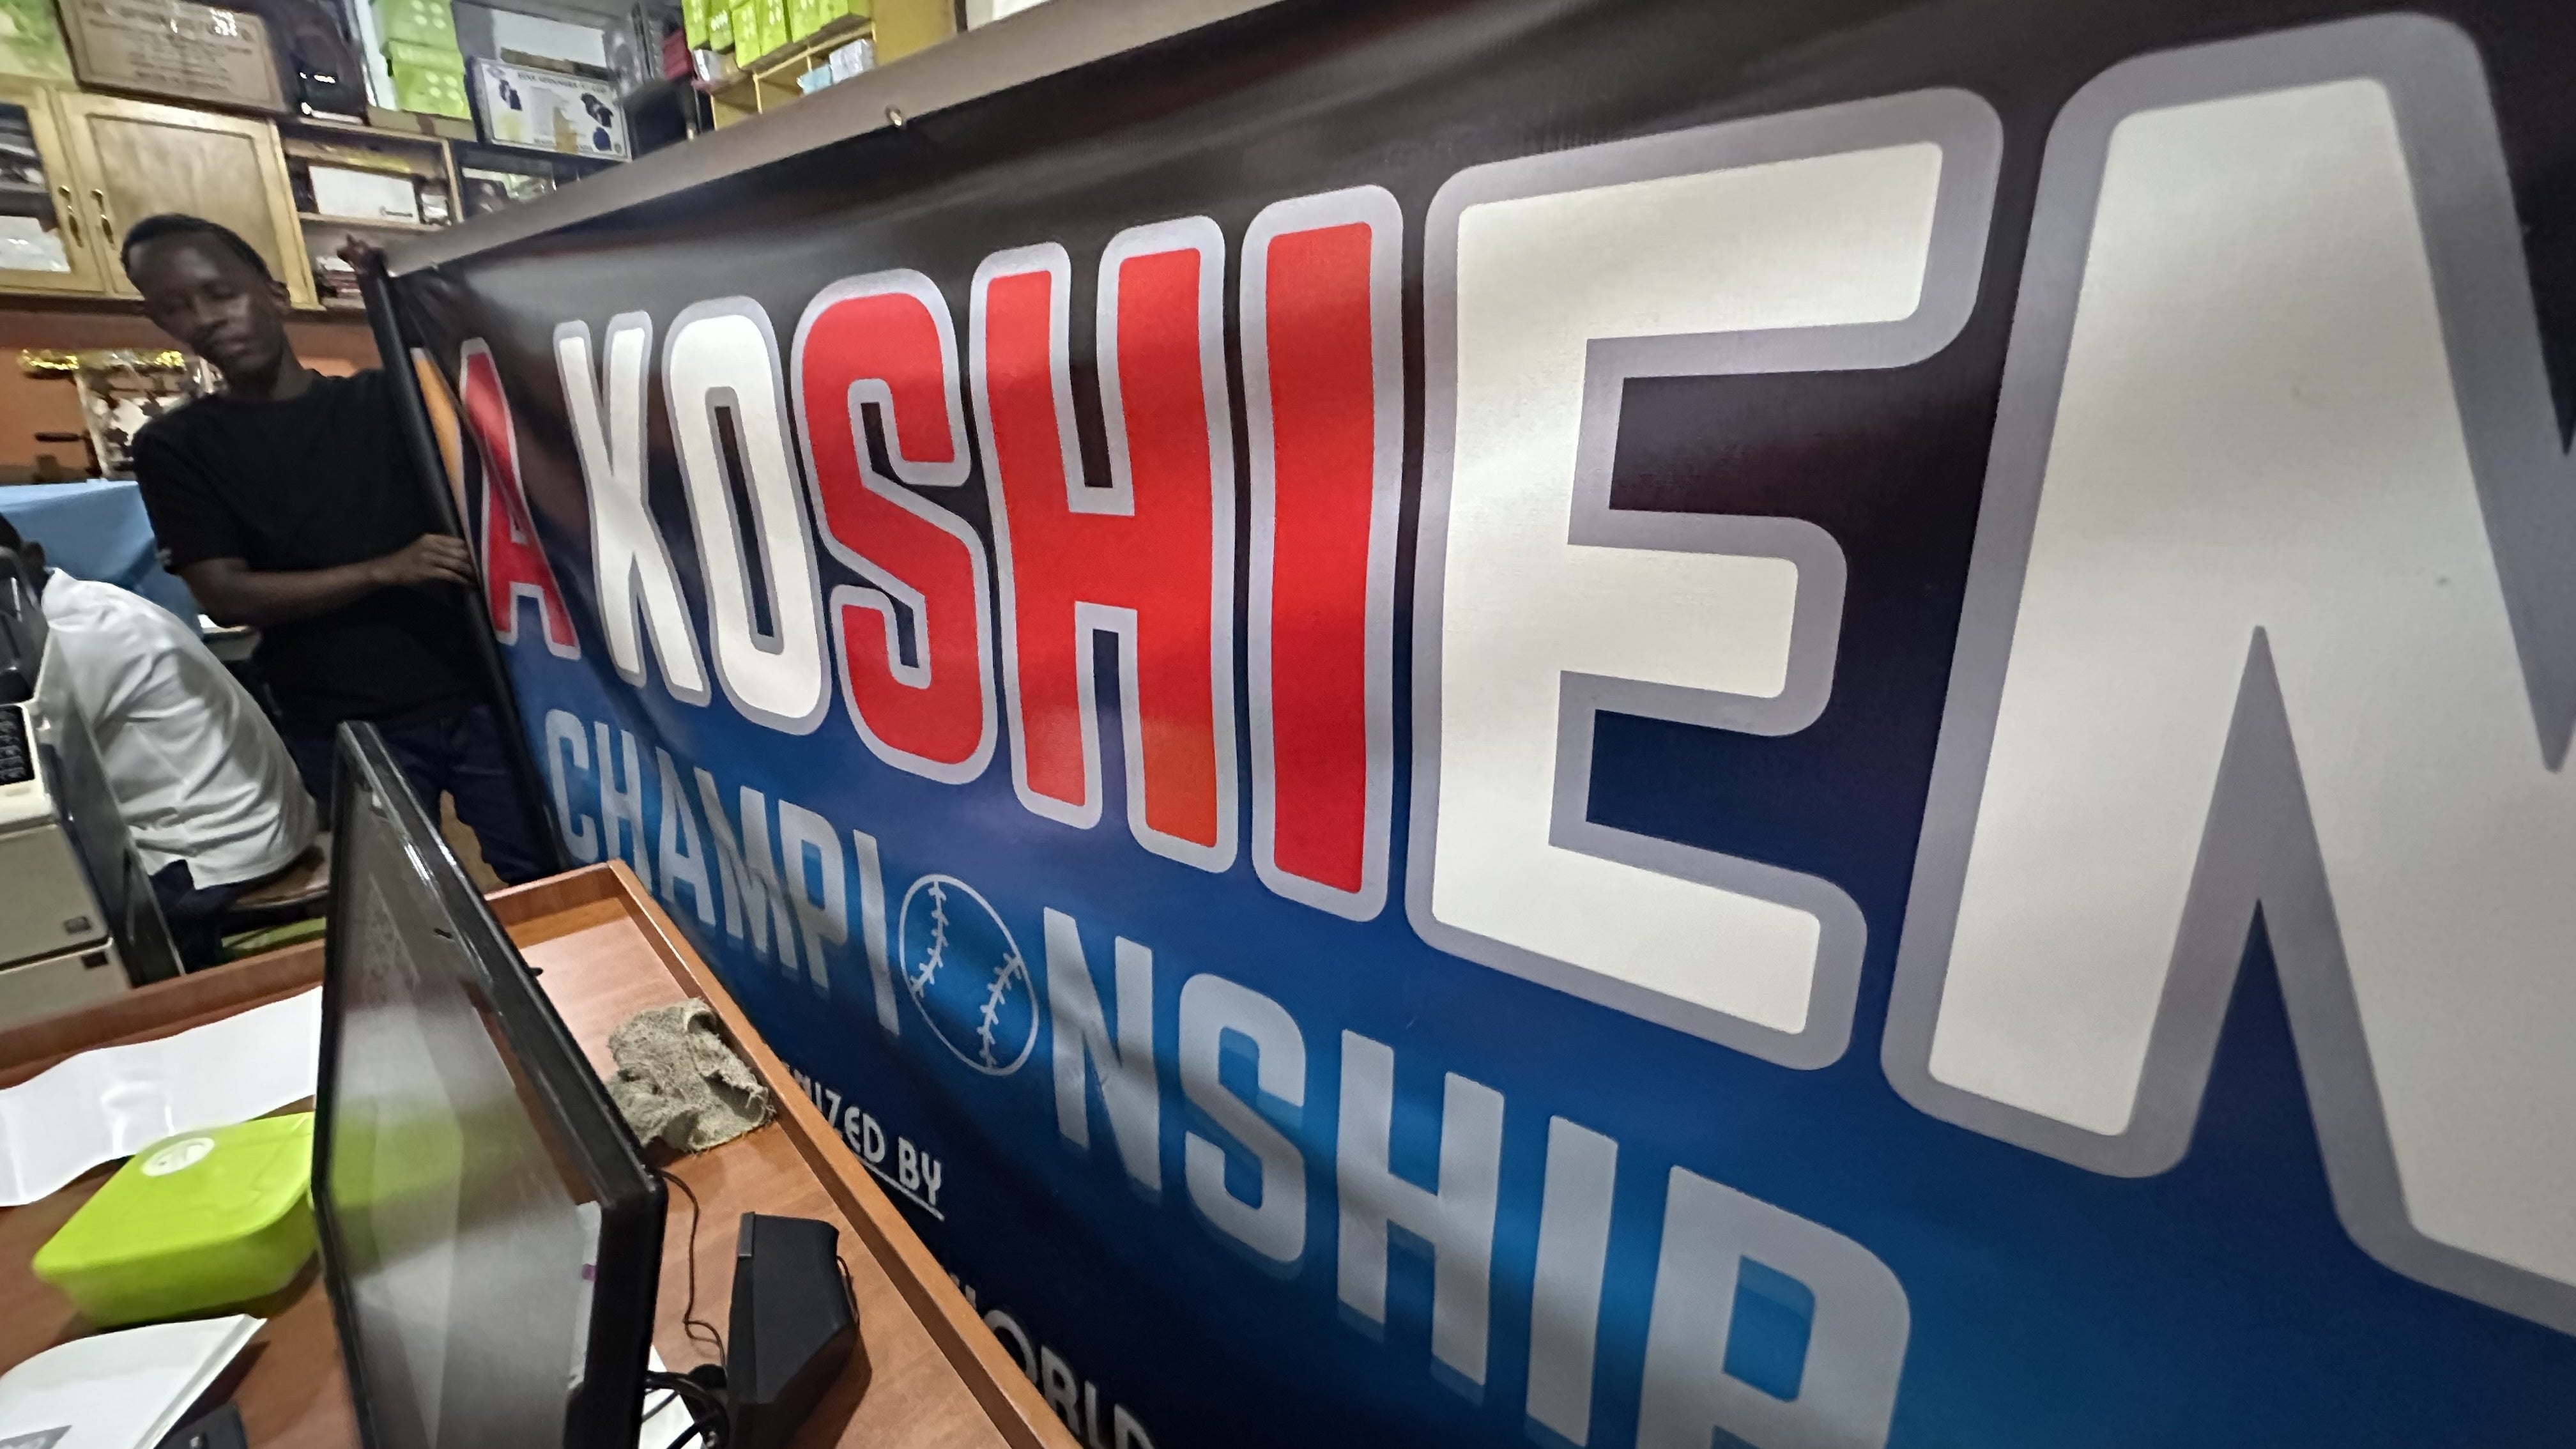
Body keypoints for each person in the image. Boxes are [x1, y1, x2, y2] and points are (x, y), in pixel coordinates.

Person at [118, 212, 550, 884]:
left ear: (273, 292)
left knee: (544, 874)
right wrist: (383, 571)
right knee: (399, 899)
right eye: (176, 308)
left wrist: (402, 281)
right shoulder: (174, 446)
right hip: (340, 722)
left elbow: (502, 361)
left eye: (221, 294)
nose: (206, 319)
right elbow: (225, 596)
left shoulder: (388, 399)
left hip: (472, 691)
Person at [0, 513, 316, 967]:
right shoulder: (81, 601)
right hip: (248, 823)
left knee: (37, 911)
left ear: (30, 559)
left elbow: (31, 759)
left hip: (212, 855)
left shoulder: (75, 637)